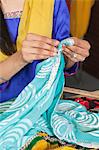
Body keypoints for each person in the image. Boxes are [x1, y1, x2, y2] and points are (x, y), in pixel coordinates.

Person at [1, 0, 96, 149]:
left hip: (45, 106)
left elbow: (62, 61)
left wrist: (72, 55)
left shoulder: (52, 2)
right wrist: (20, 58)